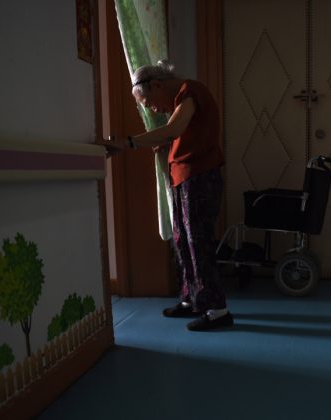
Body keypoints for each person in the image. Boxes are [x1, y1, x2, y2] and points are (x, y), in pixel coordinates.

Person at [116, 60, 232, 331]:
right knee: (182, 242)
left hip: (200, 177)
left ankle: (217, 310)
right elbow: (182, 133)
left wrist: (128, 142)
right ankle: (191, 299)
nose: (154, 109)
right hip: (184, 179)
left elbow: (174, 129)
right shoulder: (182, 100)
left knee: (198, 243)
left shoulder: (190, 92)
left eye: (149, 102)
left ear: (156, 84)